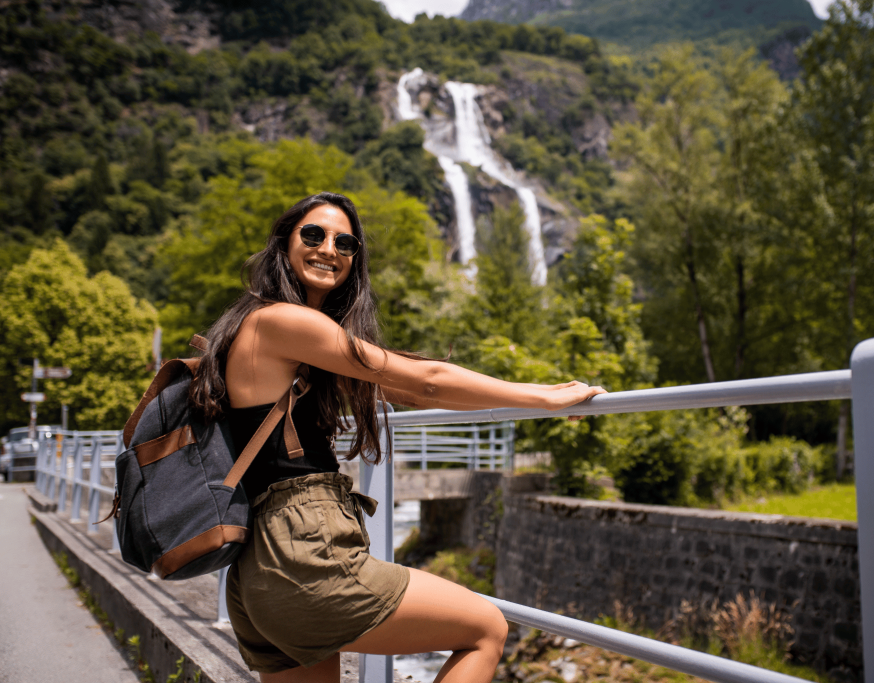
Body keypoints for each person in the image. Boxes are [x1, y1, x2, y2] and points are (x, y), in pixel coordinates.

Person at [188, 192, 605, 683]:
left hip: (257, 574)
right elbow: (424, 379)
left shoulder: (275, 331)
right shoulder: (282, 321)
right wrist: (546, 397)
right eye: (313, 235)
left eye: (344, 241)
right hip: (304, 557)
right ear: (283, 244)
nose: (328, 248)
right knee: (486, 629)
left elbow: (415, 391)